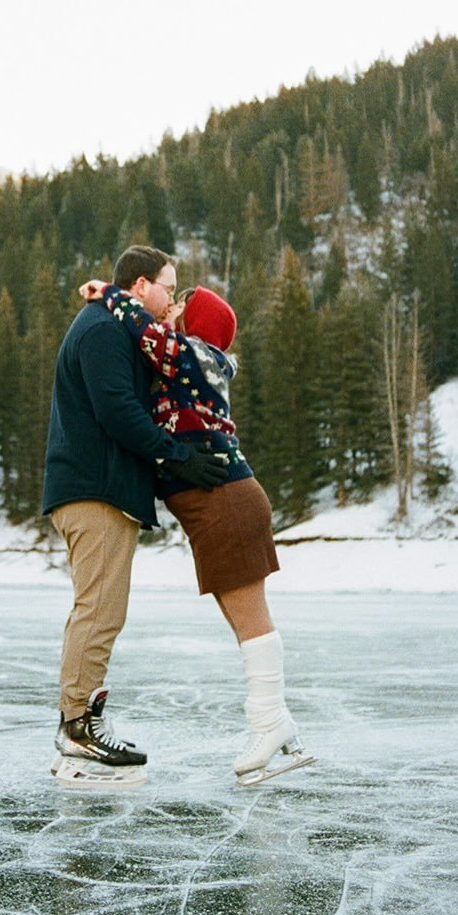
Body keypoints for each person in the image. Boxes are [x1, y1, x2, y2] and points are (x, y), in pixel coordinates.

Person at [78, 276, 313, 785]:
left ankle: (271, 724)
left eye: (182, 305)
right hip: (219, 504)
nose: (174, 308)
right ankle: (279, 727)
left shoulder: (194, 354)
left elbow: (147, 333)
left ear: (195, 325)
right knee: (241, 616)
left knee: (250, 618)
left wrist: (114, 294)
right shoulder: (190, 359)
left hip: (226, 500)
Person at [43, 245, 230, 787]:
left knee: (103, 609)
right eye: (170, 287)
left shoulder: (111, 323)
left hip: (101, 489)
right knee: (99, 610)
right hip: (94, 490)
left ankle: (79, 721)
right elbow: (118, 412)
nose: (173, 296)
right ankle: (77, 728)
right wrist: (179, 458)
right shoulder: (103, 330)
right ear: (142, 285)